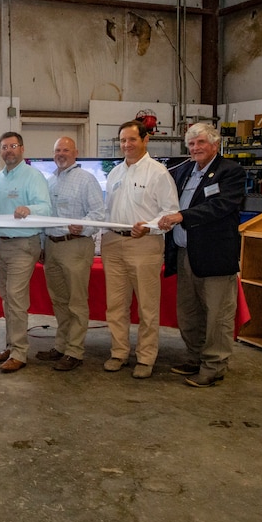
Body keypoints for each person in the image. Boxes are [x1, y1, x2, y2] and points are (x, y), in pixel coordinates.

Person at [159, 123, 245, 387]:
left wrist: (182, 216)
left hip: (215, 256)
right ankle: (195, 357)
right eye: (192, 144)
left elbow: (219, 206)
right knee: (189, 311)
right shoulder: (183, 171)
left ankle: (214, 365)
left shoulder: (231, 172)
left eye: (201, 143)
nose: (195, 148)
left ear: (215, 145)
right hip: (184, 253)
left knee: (217, 315)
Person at [100, 120, 180, 379]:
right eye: (122, 140)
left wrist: (149, 226)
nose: (126, 145)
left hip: (145, 245)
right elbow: (106, 210)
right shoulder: (114, 173)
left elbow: (170, 213)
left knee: (147, 306)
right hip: (113, 243)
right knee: (115, 305)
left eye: (132, 140)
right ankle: (119, 352)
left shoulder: (158, 173)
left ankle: (145, 358)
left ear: (145, 140)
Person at [0, 132, 52, 373]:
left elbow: (46, 208)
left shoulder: (34, 176)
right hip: (0, 245)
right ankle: (11, 346)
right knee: (6, 298)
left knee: (15, 297)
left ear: (22, 148)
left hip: (24, 244)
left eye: (13, 146)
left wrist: (29, 209)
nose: (8, 150)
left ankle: (20, 353)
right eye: (4, 147)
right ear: (0, 151)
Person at [39, 136, 105, 372]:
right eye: (58, 150)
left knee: (76, 301)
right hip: (52, 246)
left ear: (76, 152)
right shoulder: (49, 182)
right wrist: (41, 245)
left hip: (76, 245)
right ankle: (60, 345)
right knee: (59, 301)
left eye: (66, 150)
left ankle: (75, 351)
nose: (61, 154)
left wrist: (83, 225)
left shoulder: (86, 180)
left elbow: (99, 213)